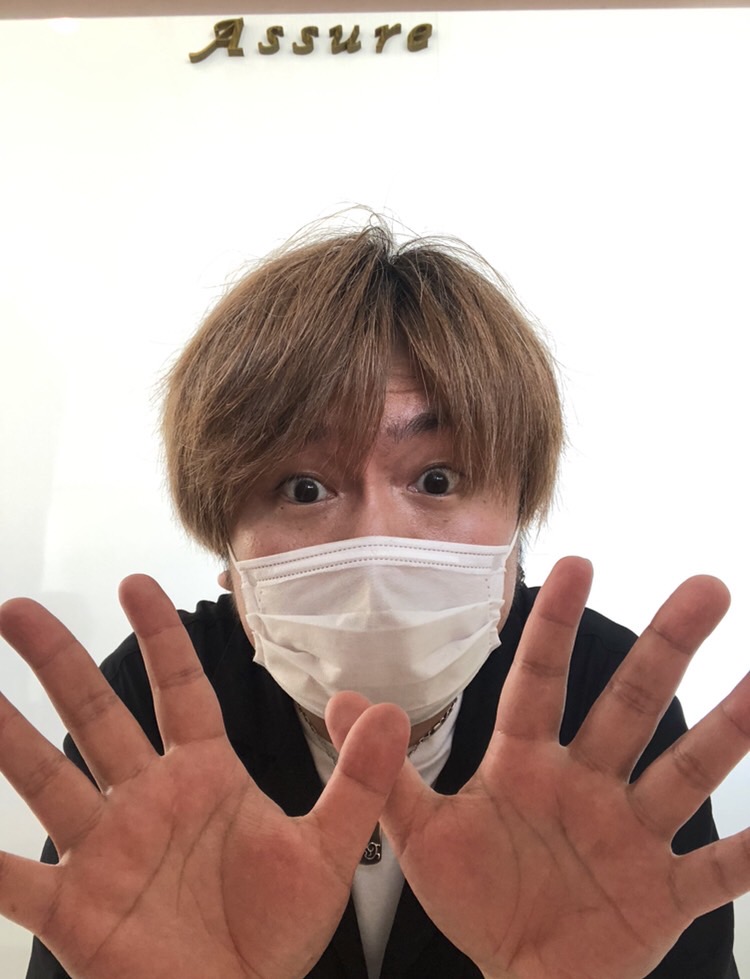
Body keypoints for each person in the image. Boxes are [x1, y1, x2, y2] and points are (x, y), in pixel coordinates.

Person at [0, 218, 746, 979]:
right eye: (304, 488)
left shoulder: (607, 702)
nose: (375, 545)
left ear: (519, 521)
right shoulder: (150, 710)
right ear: (227, 552)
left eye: (437, 479)